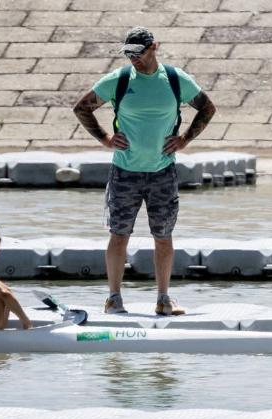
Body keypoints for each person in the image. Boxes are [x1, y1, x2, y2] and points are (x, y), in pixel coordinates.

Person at [73, 26, 216, 315]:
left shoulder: (176, 79)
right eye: (128, 54)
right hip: (124, 172)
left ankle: (164, 298)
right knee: (119, 234)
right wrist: (105, 138)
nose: (133, 59)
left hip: (163, 172)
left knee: (163, 236)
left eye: (137, 53)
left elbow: (207, 108)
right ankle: (114, 298)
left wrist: (185, 139)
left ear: (154, 48)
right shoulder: (120, 79)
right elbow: (81, 107)